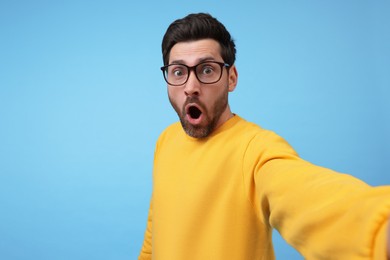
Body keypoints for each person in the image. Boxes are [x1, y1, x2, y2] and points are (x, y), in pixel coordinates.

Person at [138, 13, 390, 259]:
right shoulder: (166, 140)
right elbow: (155, 234)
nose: (191, 87)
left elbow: (305, 194)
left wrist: (379, 230)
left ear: (231, 78)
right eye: (179, 72)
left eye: (206, 70)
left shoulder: (256, 150)